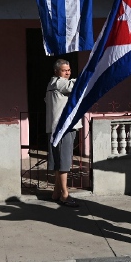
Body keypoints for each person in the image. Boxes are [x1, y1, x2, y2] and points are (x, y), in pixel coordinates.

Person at [46, 59, 80, 208]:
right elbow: (76, 86)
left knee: (59, 162)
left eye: (69, 70)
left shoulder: (53, 84)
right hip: (62, 128)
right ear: (57, 71)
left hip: (61, 128)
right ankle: (65, 195)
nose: (67, 73)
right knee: (64, 163)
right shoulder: (58, 82)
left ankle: (56, 192)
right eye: (64, 70)